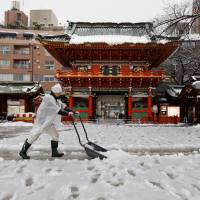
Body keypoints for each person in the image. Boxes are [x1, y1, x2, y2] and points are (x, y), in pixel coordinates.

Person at [19, 83, 78, 159]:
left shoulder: (56, 100)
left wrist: (73, 111)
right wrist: (68, 114)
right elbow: (57, 110)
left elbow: (64, 107)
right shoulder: (48, 98)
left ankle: (54, 152)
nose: (60, 94)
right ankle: (22, 152)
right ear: (55, 92)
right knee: (34, 136)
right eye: (59, 93)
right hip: (42, 122)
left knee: (55, 135)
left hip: (48, 122)